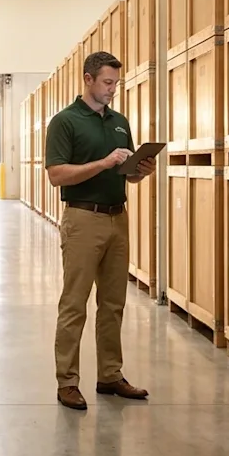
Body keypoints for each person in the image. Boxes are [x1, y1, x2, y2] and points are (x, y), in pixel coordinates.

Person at [44, 50, 157, 411]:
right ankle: (68, 382)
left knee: (113, 303)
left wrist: (140, 170)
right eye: (107, 83)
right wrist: (105, 162)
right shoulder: (65, 122)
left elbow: (128, 174)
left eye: (116, 84)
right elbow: (57, 175)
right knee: (75, 304)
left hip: (117, 218)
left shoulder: (120, 121)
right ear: (88, 79)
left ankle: (110, 374)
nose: (112, 90)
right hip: (83, 219)